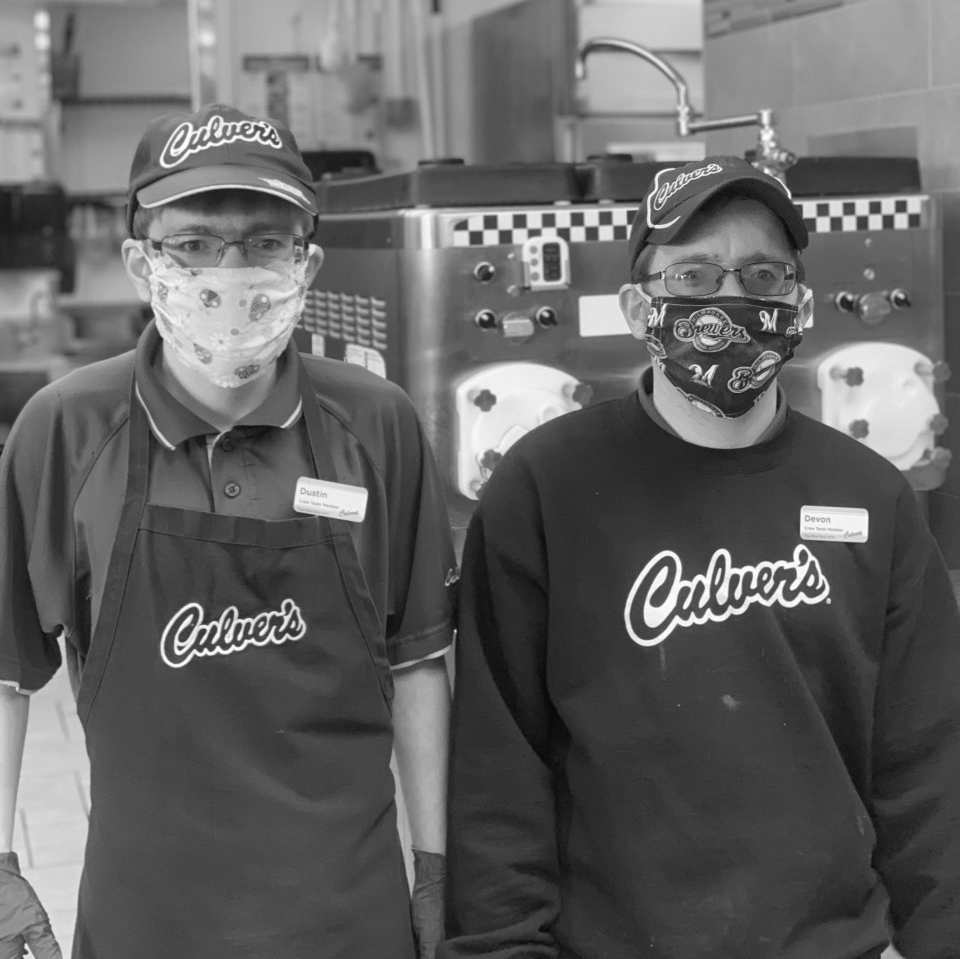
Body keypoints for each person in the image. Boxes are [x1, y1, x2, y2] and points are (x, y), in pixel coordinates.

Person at [441, 155, 960, 959]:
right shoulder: (546, 486)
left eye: (762, 274)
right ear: (635, 305)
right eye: (692, 277)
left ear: (800, 301)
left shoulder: (872, 495)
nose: (730, 299)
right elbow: (497, 768)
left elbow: (929, 767)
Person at [0, 103, 456, 959]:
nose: (232, 271)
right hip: (150, 920)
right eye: (196, 244)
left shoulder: (376, 424)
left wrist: (434, 867)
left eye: (263, 243)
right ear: (141, 263)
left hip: (350, 919)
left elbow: (419, 660)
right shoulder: (64, 430)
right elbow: (4, 673)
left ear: (307, 263)